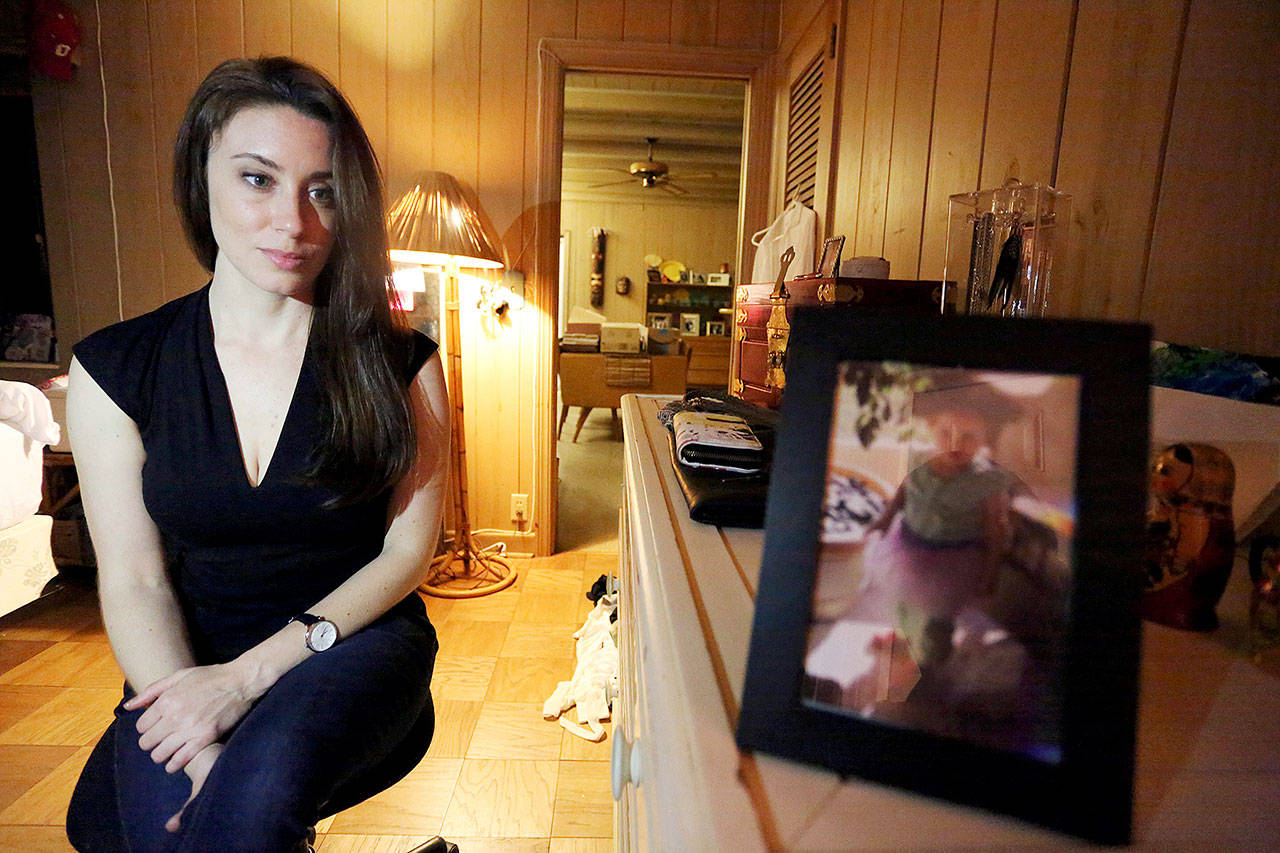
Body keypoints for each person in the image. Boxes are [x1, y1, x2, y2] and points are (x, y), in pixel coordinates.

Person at [64, 56, 450, 852]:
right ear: (200, 176)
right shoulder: (114, 368)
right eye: (257, 179)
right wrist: (203, 747)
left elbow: (410, 550)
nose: (295, 224)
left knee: (240, 809)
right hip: (189, 659)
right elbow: (135, 579)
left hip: (351, 644)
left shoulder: (400, 361)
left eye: (323, 190)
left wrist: (250, 677)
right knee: (133, 830)